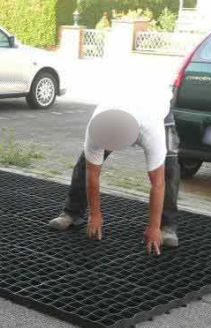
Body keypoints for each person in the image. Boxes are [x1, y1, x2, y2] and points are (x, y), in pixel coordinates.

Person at [48, 100, 181, 256]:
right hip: (116, 112)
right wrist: (95, 214)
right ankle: (72, 212)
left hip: (154, 108)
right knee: (86, 162)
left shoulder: (152, 130)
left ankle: (167, 225)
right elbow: (92, 172)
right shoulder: (96, 126)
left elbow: (158, 183)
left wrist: (153, 226)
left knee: (168, 168)